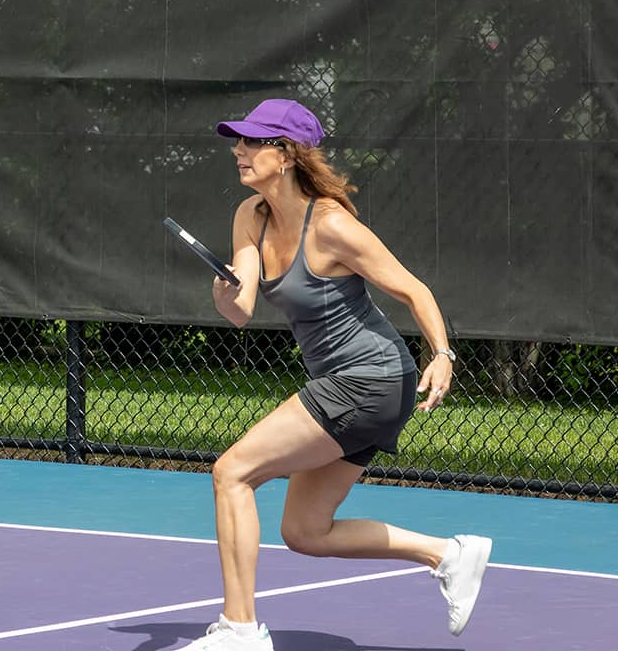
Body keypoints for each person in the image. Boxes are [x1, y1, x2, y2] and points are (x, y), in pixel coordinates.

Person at [178, 99, 491, 651]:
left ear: (287, 154)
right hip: (354, 385)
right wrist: (223, 290)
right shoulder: (250, 216)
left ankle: (241, 631)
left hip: (370, 376)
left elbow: (413, 289)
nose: (239, 150)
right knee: (305, 532)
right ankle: (448, 555)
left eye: (253, 142)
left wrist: (443, 354)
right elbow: (241, 308)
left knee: (232, 473)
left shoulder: (332, 226)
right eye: (239, 141)